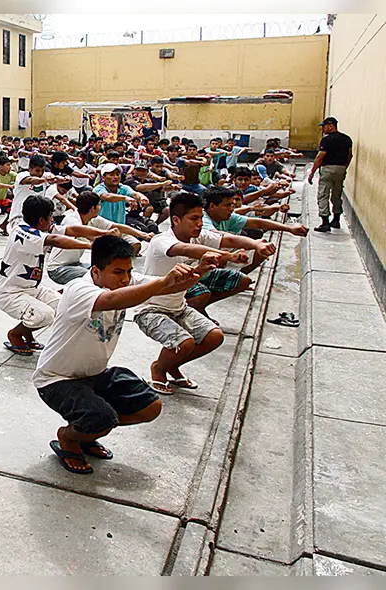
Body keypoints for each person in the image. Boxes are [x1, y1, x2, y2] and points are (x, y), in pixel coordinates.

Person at [33, 236, 204, 475]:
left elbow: (168, 286)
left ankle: (87, 430)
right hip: (57, 380)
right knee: (102, 418)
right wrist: (164, 281)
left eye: (128, 272)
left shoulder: (125, 282)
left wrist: (199, 271)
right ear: (96, 271)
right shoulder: (78, 289)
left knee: (150, 406)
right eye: (118, 272)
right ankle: (69, 437)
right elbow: (114, 299)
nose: (125, 279)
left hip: (95, 375)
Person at [135, 192, 274, 395]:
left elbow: (227, 238)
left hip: (179, 306)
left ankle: (173, 366)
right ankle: (159, 369)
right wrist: (228, 256)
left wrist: (256, 244)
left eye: (201, 217)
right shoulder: (161, 241)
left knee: (214, 336)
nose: (200, 223)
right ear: (176, 220)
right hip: (150, 310)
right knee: (184, 342)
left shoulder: (199, 236)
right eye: (194, 218)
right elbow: (185, 249)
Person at [0, 195, 110, 355]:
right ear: (41, 220)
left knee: (64, 306)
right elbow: (56, 240)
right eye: (50, 216)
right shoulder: (22, 232)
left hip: (32, 289)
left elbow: (72, 230)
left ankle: (27, 333)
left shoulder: (39, 228)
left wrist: (104, 233)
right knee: (45, 315)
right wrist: (90, 246)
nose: (52, 220)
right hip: (10, 292)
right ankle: (15, 334)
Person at [47, 190, 151, 285]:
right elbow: (84, 232)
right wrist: (106, 234)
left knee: (105, 270)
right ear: (93, 208)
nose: (100, 207)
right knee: (97, 277)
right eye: (99, 205)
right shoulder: (72, 220)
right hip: (58, 269)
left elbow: (116, 226)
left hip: (75, 264)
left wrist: (143, 235)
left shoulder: (93, 219)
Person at [202, 185, 308, 274]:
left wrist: (289, 228)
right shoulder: (203, 218)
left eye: (232, 205)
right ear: (212, 206)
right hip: (199, 259)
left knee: (261, 251)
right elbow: (219, 237)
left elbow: (257, 223)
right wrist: (254, 244)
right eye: (227, 205)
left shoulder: (226, 216)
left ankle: (237, 277)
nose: (232, 209)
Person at [308, 117, 353, 232]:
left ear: (331, 126)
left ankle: (325, 222)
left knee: (323, 194)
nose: (323, 129)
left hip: (328, 169)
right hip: (341, 168)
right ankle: (336, 219)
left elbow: (320, 157)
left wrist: (312, 172)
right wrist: (344, 167)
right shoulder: (347, 139)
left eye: (324, 126)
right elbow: (350, 155)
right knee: (337, 194)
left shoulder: (326, 140)